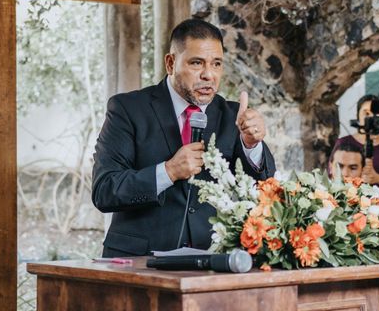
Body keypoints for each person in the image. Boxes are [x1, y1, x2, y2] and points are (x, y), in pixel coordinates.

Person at [92, 19, 276, 257]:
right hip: (139, 262)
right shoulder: (128, 109)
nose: (208, 75)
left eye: (216, 64)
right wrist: (168, 171)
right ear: (171, 63)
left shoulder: (233, 116)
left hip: (211, 263)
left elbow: (264, 191)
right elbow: (105, 191)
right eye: (196, 63)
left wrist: (252, 146)